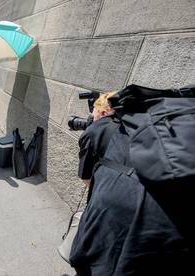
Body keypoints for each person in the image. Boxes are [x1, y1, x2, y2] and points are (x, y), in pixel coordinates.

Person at [70, 91, 191, 275]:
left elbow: (87, 179)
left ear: (102, 113)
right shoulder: (145, 127)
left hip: (110, 224)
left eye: (93, 113)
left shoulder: (98, 129)